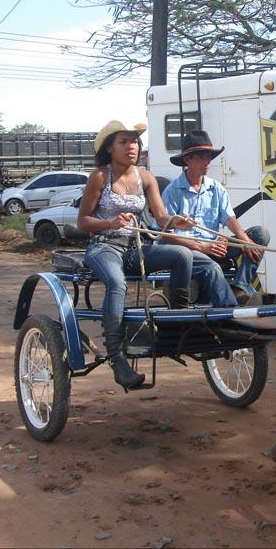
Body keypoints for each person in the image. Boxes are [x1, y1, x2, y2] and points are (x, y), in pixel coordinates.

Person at [77, 120, 195, 392]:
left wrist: (176, 222)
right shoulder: (99, 177)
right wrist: (109, 223)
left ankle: (176, 327)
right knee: (116, 283)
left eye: (135, 142)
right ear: (110, 148)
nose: (132, 147)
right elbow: (82, 222)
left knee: (182, 255)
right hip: (105, 247)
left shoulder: (146, 177)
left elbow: (161, 217)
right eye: (124, 142)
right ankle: (116, 356)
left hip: (136, 248)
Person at [161, 130, 270, 306]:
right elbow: (167, 235)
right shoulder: (172, 192)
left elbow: (229, 218)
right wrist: (203, 246)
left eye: (209, 157)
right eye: (201, 157)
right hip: (188, 251)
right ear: (187, 160)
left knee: (260, 234)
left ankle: (240, 286)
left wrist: (244, 239)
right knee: (211, 266)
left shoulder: (216, 188)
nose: (207, 162)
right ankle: (231, 309)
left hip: (214, 247)